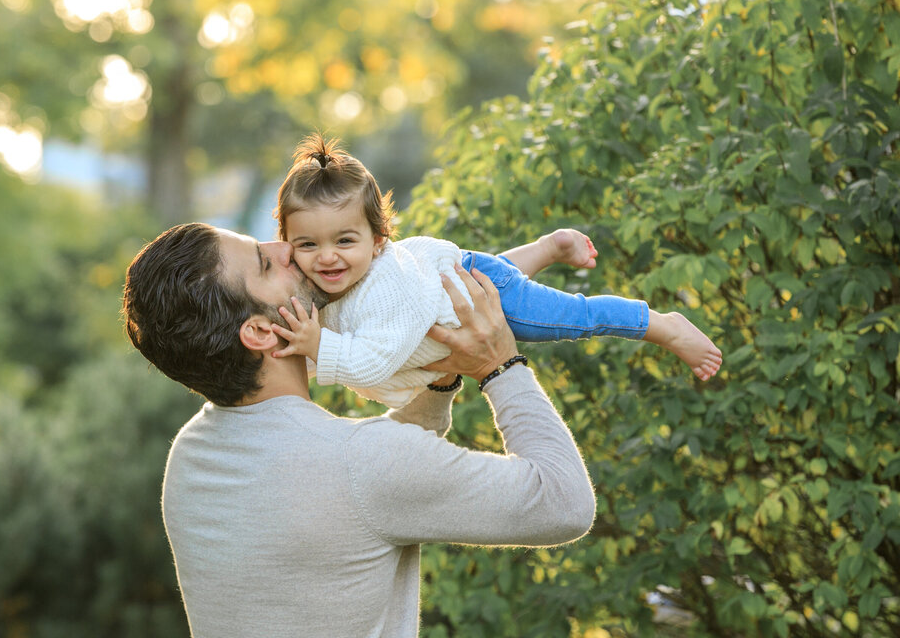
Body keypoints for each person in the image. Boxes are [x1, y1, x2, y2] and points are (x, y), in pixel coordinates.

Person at [122, 222, 596, 638]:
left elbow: (353, 486)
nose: (288, 248)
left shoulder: (190, 455)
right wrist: (499, 364)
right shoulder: (362, 462)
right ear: (263, 333)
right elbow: (564, 502)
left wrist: (440, 378)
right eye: (267, 264)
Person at [270, 133, 722, 408]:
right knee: (498, 280)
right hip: (471, 276)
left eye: (344, 241)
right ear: (287, 245)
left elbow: (373, 362)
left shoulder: (389, 290)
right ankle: (549, 247)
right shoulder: (332, 282)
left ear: (378, 240)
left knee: (569, 318)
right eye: (308, 245)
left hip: (478, 291)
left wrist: (318, 346)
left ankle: (660, 325)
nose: (326, 257)